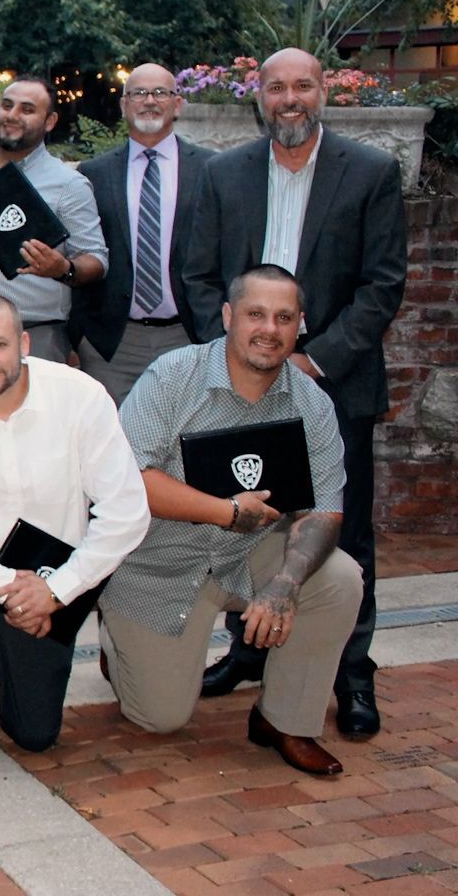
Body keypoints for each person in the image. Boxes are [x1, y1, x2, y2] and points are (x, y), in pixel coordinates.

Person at [182, 47, 407, 739]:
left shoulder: (369, 172)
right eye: (276, 87)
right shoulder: (224, 175)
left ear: (323, 94)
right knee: (249, 521)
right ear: (259, 97)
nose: (289, 99)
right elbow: (197, 278)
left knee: (343, 531)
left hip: (332, 386)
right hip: (243, 390)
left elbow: (382, 284)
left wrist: (315, 360)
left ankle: (352, 676)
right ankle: (249, 650)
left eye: (302, 86)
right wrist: (233, 361)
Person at [103, 265, 359, 775]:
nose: (269, 328)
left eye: (284, 317)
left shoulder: (313, 404)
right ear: (227, 317)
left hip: (250, 553)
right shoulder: (173, 376)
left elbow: (326, 510)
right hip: (159, 560)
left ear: (299, 325)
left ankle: (284, 721)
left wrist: (285, 583)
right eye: (255, 314)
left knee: (338, 579)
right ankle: (120, 646)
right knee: (160, 718)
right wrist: (225, 511)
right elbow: (128, 478)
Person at [0, 293, 149, 774]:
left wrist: (55, 591)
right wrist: (9, 590)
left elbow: (127, 513)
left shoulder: (81, 398)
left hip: (58, 573)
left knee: (33, 735)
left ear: (24, 344)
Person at [68, 63, 214, 405]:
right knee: (112, 447)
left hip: (187, 336)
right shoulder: (93, 173)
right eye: (138, 93)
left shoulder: (212, 169)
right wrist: (79, 336)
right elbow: (80, 251)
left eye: (161, 92)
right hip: (112, 344)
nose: (149, 101)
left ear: (177, 104)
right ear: (123, 105)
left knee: (183, 447)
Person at [0, 77, 108, 363]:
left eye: (27, 109)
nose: (13, 115)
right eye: (7, 105)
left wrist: (62, 268)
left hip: (34, 336)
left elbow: (96, 260)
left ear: (50, 121)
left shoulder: (68, 184)